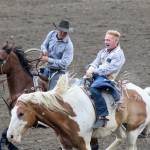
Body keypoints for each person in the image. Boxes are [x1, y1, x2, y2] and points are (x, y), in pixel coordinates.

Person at [86, 30, 125, 128]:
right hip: (98, 75)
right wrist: (91, 68)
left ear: (116, 41)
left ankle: (102, 116)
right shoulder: (103, 52)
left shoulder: (119, 54)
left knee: (94, 88)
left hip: (107, 78)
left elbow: (109, 69)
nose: (106, 42)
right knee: (79, 85)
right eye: (105, 40)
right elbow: (95, 62)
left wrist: (94, 71)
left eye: (108, 40)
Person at [40, 20, 74, 90]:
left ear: (67, 32)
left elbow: (64, 63)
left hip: (59, 72)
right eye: (60, 31)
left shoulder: (69, 45)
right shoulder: (51, 34)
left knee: (52, 93)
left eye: (64, 32)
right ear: (57, 30)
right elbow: (44, 45)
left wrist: (48, 59)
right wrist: (44, 51)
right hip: (47, 67)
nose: (62, 33)